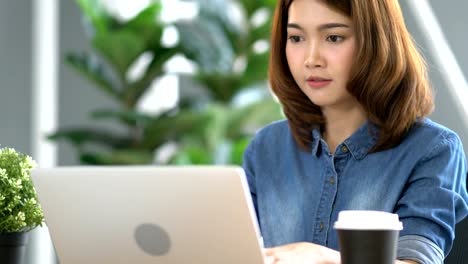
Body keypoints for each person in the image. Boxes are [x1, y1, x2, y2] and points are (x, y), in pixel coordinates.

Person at [242, 0, 468, 263]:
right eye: (296, 38)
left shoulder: (433, 149)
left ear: (376, 42)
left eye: (333, 37)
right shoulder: (266, 147)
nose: (311, 59)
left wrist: (320, 257)